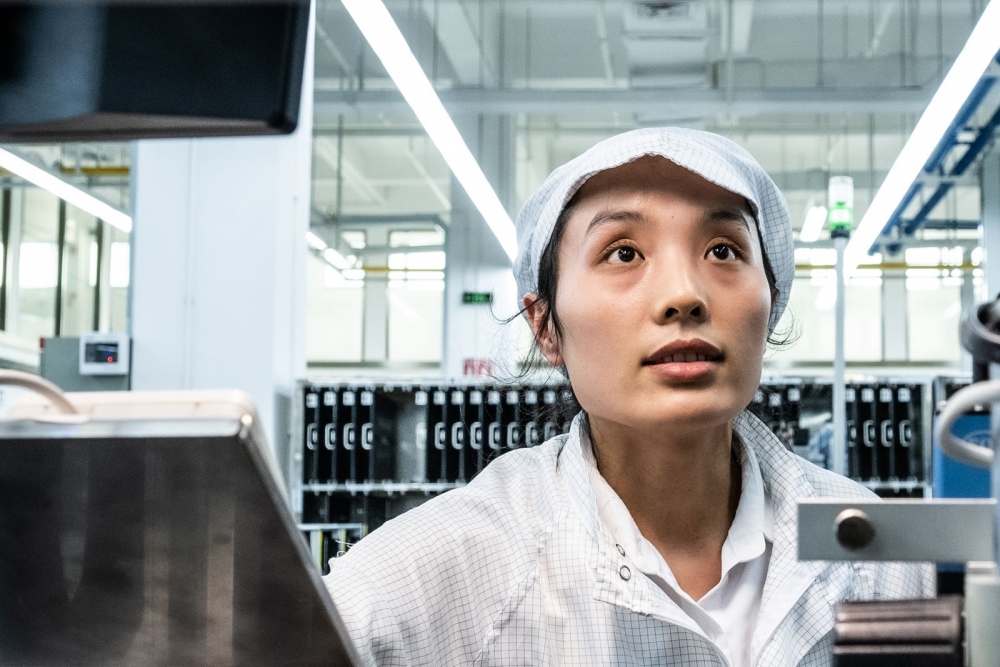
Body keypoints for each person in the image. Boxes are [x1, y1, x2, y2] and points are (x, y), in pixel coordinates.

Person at [323, 128, 933, 667]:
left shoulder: (881, 553)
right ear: (545, 327)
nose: (683, 295)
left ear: (771, 303)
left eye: (723, 250)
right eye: (623, 252)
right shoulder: (445, 565)